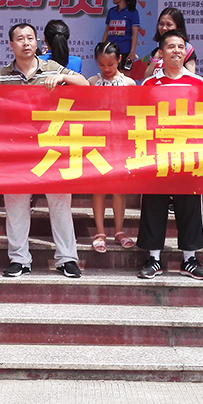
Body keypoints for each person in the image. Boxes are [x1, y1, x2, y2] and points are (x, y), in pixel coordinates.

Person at [0, 22, 89, 278]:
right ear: (11, 45)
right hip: (16, 150)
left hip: (51, 147)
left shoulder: (53, 68)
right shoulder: (1, 75)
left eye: (30, 38)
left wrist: (64, 78)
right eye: (20, 39)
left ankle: (67, 258)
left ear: (37, 43)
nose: (25, 43)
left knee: (60, 203)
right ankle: (19, 259)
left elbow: (85, 85)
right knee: (16, 206)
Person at [137, 30, 203, 281]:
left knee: (189, 205)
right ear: (161, 52)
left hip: (188, 153)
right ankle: (153, 258)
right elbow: (140, 118)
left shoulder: (198, 83)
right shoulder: (149, 84)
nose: (176, 51)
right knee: (153, 204)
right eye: (170, 46)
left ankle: (189, 259)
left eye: (180, 46)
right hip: (157, 153)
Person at [86, 41, 136, 253]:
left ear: (119, 60)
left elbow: (134, 113)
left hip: (121, 141)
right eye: (101, 64)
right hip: (98, 141)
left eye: (110, 64)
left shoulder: (129, 83)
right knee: (98, 188)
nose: (106, 69)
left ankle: (119, 231)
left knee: (119, 189)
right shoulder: (91, 82)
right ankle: (100, 232)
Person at [139, 7, 198, 79]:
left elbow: (191, 77)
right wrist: (155, 58)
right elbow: (147, 78)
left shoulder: (187, 48)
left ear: (178, 27)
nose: (164, 28)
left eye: (169, 24)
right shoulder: (156, 52)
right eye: (161, 24)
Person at [102, 0, 140, 68]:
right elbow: (107, 30)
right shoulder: (111, 11)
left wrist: (132, 52)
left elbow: (135, 34)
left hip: (125, 50)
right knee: (110, 72)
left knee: (125, 73)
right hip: (110, 50)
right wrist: (102, 47)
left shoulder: (133, 12)